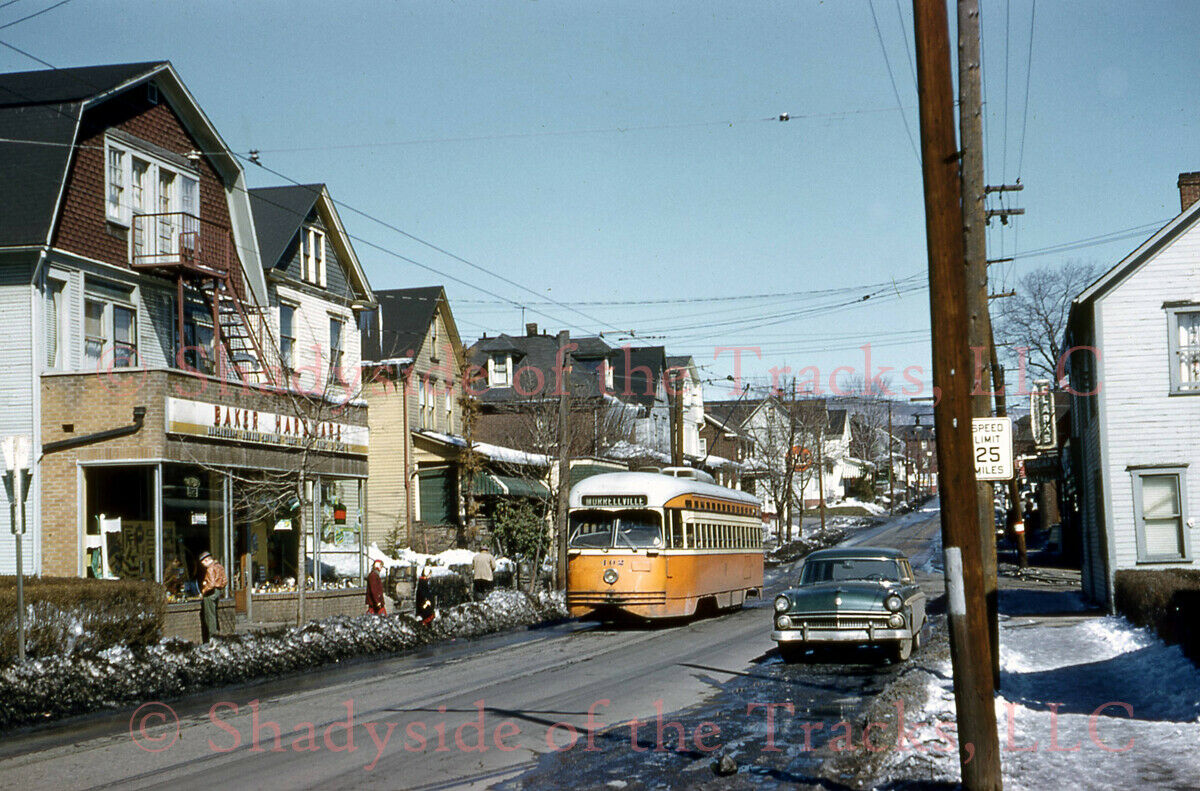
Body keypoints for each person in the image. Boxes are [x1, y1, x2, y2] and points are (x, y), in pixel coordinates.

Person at [198, 551, 227, 642]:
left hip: (210, 593)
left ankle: (212, 638)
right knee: (214, 615)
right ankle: (216, 636)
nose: (203, 565)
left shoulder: (210, 569)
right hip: (217, 592)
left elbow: (211, 584)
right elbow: (225, 581)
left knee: (210, 617)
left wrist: (203, 590)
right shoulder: (219, 566)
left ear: (206, 560)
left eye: (203, 563)